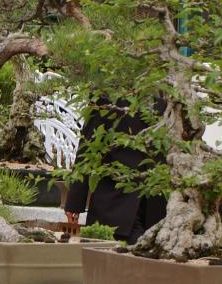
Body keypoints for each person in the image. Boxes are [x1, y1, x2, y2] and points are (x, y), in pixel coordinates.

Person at [63, 99, 167, 243]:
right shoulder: (108, 89)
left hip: (157, 202)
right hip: (115, 198)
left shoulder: (169, 90)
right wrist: (75, 200)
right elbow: (88, 143)